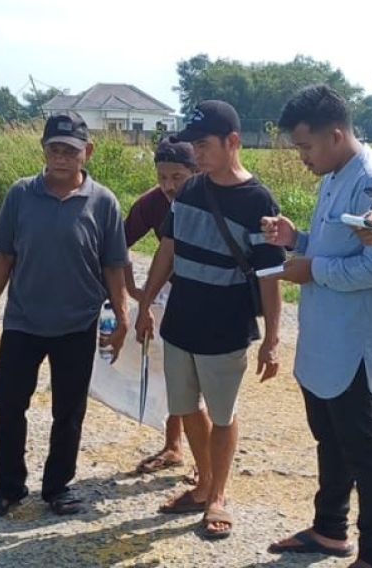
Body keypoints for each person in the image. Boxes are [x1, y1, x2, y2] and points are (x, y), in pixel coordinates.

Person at [263, 85, 372, 568]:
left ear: (336, 134)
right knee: (331, 438)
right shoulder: (334, 173)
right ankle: (329, 530)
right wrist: (297, 239)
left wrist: (313, 269)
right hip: (326, 337)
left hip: (356, 345)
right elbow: (335, 248)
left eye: (305, 146)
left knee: (365, 447)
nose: (302, 157)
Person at [138, 100, 284, 540]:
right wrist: (145, 302)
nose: (196, 154)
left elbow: (270, 276)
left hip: (226, 327)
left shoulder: (259, 200)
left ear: (232, 142)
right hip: (181, 320)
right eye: (193, 145)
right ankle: (203, 483)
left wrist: (273, 338)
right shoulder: (189, 191)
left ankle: (217, 495)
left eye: (203, 144)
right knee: (185, 408)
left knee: (222, 414)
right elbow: (168, 249)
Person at [0, 112, 131, 517]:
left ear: (87, 153)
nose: (61, 158)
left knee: (69, 409)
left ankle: (58, 487)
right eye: (54, 149)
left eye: (70, 151)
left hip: (77, 324)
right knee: (8, 404)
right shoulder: (21, 195)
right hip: (24, 321)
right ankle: (8, 488)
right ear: (44, 151)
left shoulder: (104, 202)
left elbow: (114, 264)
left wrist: (122, 313)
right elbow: (4, 257)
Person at [123, 136, 209, 479]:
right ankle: (174, 445)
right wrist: (133, 290)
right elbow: (117, 243)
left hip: (209, 297)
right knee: (172, 373)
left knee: (206, 381)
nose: (169, 186)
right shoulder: (151, 203)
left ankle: (210, 466)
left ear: (196, 170)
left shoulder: (215, 199)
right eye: (162, 178)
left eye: (178, 177)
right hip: (169, 295)